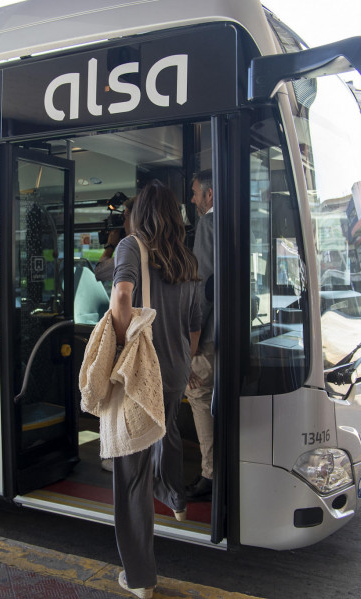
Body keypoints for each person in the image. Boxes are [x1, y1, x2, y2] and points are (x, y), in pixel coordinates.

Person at [110, 180, 202, 598]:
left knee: (131, 476)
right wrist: (179, 359)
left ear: (141, 214)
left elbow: (121, 297)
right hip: (176, 368)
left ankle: (140, 577)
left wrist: (125, 343)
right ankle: (176, 500)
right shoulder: (186, 257)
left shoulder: (132, 246)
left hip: (143, 375)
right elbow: (194, 324)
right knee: (166, 435)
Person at [185, 169, 215, 502]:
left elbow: (202, 286)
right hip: (229, 330)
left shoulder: (207, 225)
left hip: (208, 335)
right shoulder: (236, 220)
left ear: (209, 195)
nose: (192, 199)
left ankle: (209, 473)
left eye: (195, 193)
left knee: (197, 396)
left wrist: (191, 346)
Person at [94, 197, 134, 282]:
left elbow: (100, 272)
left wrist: (110, 246)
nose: (124, 224)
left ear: (135, 220)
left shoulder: (133, 252)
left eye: (125, 217)